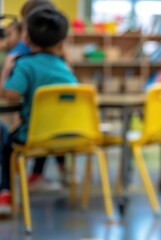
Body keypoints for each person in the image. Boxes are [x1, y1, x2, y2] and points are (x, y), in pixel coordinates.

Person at [0, 7, 78, 212]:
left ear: (25, 39)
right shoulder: (66, 69)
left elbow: (11, 94)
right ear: (62, 43)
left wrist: (6, 71)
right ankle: (63, 173)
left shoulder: (25, 65)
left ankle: (5, 193)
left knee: (6, 145)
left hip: (34, 135)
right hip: (68, 135)